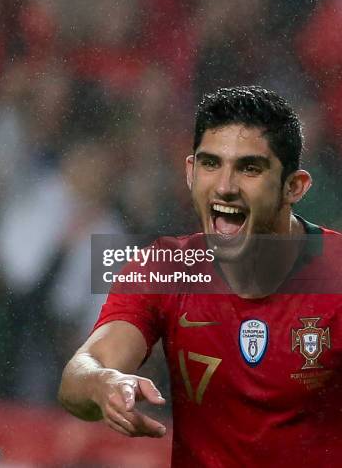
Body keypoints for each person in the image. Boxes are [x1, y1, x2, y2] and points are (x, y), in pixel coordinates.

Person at [58, 86, 342, 467]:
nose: (224, 186)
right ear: (191, 171)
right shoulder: (166, 268)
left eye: (249, 168)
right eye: (211, 164)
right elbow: (79, 374)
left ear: (294, 187)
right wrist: (105, 383)